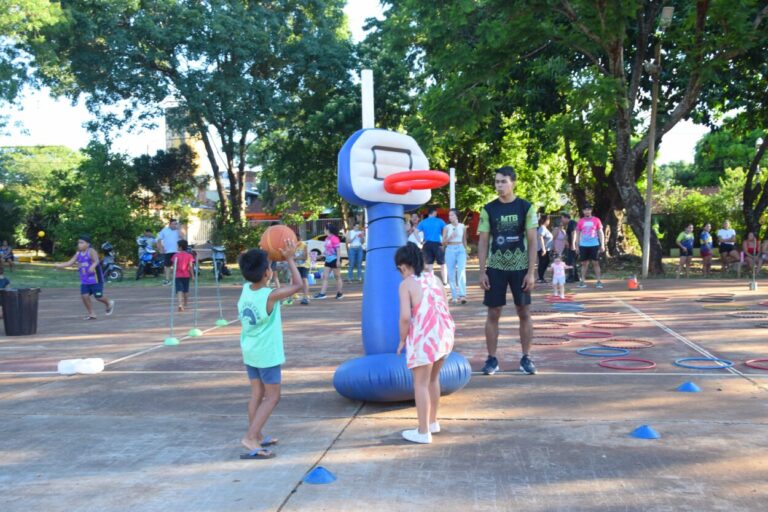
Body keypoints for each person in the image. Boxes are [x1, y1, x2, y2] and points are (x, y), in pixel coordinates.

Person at [236, 240, 303, 459]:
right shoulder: (269, 296)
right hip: (267, 354)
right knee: (273, 397)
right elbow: (298, 285)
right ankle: (250, 436)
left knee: (257, 393)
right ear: (267, 272)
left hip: (250, 351)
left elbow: (259, 277)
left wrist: (269, 259)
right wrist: (290, 258)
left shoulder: (246, 289)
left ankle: (258, 434)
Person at [477, 166, 538, 376]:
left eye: (503, 181)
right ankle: (492, 359)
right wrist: (482, 271)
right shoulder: (488, 209)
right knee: (493, 312)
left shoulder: (526, 207)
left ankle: (526, 358)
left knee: (524, 311)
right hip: (496, 268)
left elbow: (532, 241)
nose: (499, 185)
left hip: (520, 268)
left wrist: (531, 272)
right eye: (496, 182)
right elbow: (483, 242)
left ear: (513, 182)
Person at [395, 243, 454, 444]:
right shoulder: (435, 278)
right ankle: (432, 422)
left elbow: (405, 317)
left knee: (420, 383)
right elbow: (444, 306)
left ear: (403, 266)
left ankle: (422, 432)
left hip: (424, 336)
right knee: (433, 379)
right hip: (444, 333)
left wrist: (402, 339)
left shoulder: (406, 284)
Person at [54, 235, 115, 320]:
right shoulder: (78, 253)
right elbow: (70, 262)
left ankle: (109, 303)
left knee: (98, 297)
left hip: (96, 279)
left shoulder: (91, 251)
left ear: (88, 244)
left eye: (82, 242)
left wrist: (92, 266)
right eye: (78, 243)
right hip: (85, 280)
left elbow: (96, 260)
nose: (79, 244)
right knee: (84, 296)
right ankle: (92, 314)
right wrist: (59, 266)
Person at [575, 204, 605, 289]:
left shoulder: (596, 220)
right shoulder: (580, 221)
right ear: (583, 211)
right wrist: (577, 246)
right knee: (584, 263)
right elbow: (577, 234)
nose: (587, 211)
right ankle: (582, 281)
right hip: (583, 245)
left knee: (595, 262)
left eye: (588, 209)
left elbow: (600, 232)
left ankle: (598, 281)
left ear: (591, 210)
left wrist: (602, 244)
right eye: (585, 210)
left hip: (594, 244)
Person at [442, 208, 468, 304]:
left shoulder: (462, 226)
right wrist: (450, 237)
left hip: (461, 249)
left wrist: (466, 251)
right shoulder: (446, 227)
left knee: (461, 271)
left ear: (457, 215)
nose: (450, 217)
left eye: (452, 215)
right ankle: (454, 295)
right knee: (451, 273)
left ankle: (462, 295)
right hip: (450, 249)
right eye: (449, 215)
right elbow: (443, 243)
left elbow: (464, 240)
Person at [417, 207, 447, 284]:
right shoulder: (440, 221)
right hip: (438, 244)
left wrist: (420, 242)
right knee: (443, 264)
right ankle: (445, 282)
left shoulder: (423, 222)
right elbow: (446, 229)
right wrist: (444, 238)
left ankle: (431, 282)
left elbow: (415, 232)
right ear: (434, 213)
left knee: (429, 264)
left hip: (427, 244)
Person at [314, 225, 344, 300]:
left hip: (334, 259)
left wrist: (338, 261)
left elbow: (338, 250)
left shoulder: (335, 239)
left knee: (337, 277)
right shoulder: (327, 238)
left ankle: (339, 293)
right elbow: (327, 250)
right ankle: (322, 293)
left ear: (328, 230)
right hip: (328, 260)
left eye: (325, 229)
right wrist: (321, 255)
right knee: (325, 276)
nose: (324, 230)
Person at [157, 219, 184, 286]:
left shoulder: (178, 231)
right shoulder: (164, 230)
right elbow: (158, 239)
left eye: (176, 224)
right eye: (173, 224)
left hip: (177, 251)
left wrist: (179, 229)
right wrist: (160, 248)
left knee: (177, 266)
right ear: (170, 224)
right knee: (167, 266)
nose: (175, 225)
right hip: (168, 251)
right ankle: (167, 280)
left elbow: (182, 237)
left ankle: (177, 280)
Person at [172, 240, 196, 312]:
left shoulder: (175, 255)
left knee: (179, 290)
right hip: (186, 275)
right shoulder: (189, 256)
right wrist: (193, 276)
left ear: (180, 247)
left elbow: (174, 266)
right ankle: (185, 303)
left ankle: (180, 304)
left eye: (177, 246)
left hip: (178, 275)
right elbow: (190, 267)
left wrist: (172, 273)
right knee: (186, 290)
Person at [560, 213, 579, 282]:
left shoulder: (571, 223)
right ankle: (576, 277)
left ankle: (571, 277)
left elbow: (574, 233)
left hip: (573, 245)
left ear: (566, 218)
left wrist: (573, 244)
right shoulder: (570, 224)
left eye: (562, 218)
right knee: (572, 261)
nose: (561, 220)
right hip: (572, 245)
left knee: (571, 261)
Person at [536, 216, 553, 283]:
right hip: (543, 249)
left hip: (547, 249)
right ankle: (540, 278)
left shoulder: (544, 228)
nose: (549, 222)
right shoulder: (542, 228)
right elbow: (540, 237)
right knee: (542, 262)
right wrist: (543, 249)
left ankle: (541, 277)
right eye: (548, 220)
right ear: (546, 221)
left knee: (545, 262)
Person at [294, 240, 311, 305]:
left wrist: (295, 258)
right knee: (296, 281)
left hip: (305, 265)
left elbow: (305, 257)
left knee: (304, 279)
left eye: (297, 241)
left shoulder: (304, 245)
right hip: (297, 265)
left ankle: (306, 297)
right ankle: (295, 295)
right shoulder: (293, 245)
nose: (296, 243)